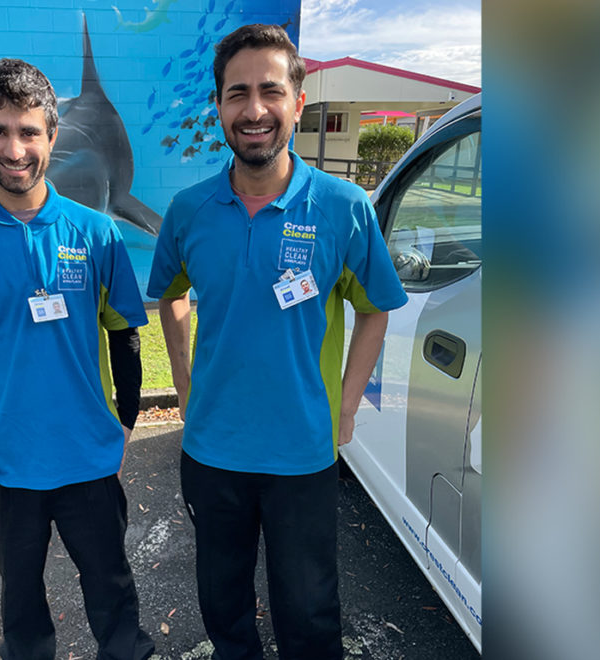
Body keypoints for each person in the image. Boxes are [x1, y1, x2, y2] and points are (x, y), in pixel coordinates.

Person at [147, 25, 408, 660]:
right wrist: (185, 384)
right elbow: (170, 294)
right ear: (218, 107)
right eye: (238, 93)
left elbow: (375, 309)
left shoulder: (343, 207)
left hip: (303, 453)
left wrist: (345, 409)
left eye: (271, 91)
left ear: (297, 101)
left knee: (308, 605)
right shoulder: (188, 211)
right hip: (213, 450)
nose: (254, 110)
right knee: (221, 596)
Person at [0, 58, 155, 660]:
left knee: (110, 584)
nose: (14, 147)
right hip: (6, 464)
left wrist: (124, 423)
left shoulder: (96, 234)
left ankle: (124, 651)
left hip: (87, 458)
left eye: (29, 131)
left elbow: (125, 334)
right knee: (19, 595)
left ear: (53, 134)